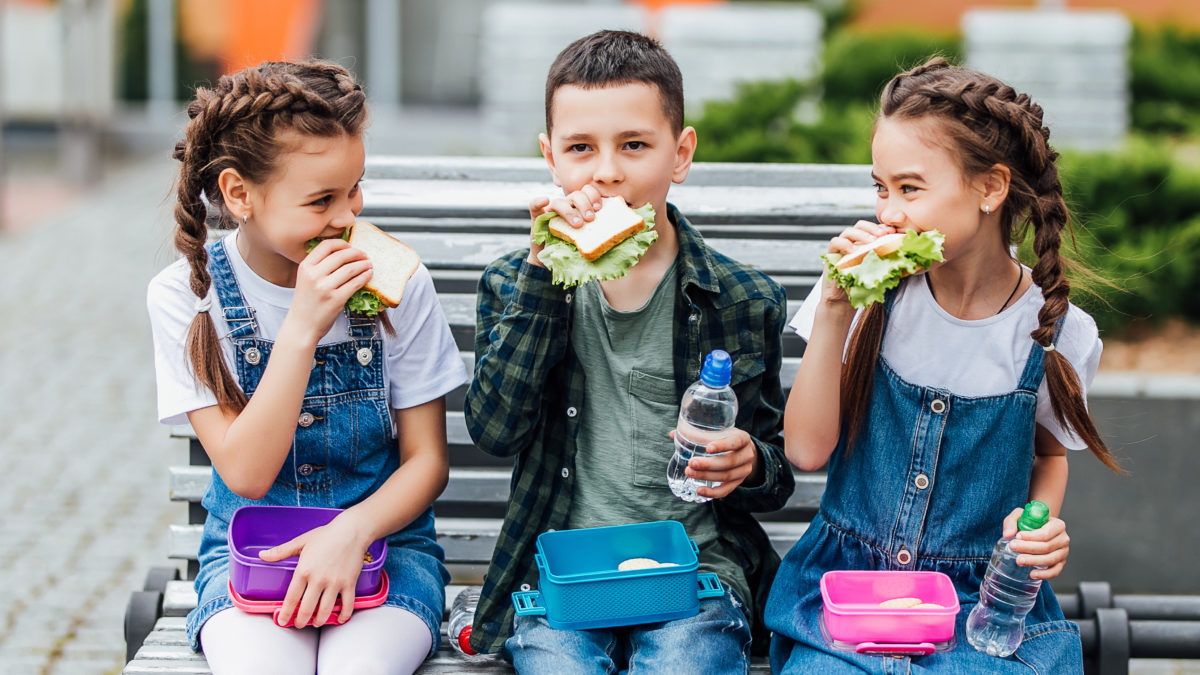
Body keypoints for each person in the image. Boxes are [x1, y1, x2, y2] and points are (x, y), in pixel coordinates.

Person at [765, 57, 1124, 673]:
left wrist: (1036, 527)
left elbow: (1049, 456)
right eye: (881, 188)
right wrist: (833, 310)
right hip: (851, 595)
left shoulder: (1058, 332)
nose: (888, 213)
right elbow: (805, 450)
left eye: (910, 188)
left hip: (979, 603)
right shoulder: (862, 295)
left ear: (990, 189)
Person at [462, 30, 795, 671]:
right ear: (551, 158)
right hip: (562, 573)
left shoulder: (743, 298)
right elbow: (496, 433)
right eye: (581, 148)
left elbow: (773, 478)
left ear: (681, 153)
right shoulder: (515, 282)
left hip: (696, 570)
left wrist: (749, 462)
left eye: (634, 145)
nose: (607, 171)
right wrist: (542, 274)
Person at [146, 60, 467, 674]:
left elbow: (427, 462)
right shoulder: (186, 297)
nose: (348, 217)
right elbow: (246, 474)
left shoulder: (399, 285)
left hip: (383, 549)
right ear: (240, 195)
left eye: (354, 189)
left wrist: (352, 532)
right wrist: (301, 329)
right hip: (251, 555)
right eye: (321, 200)